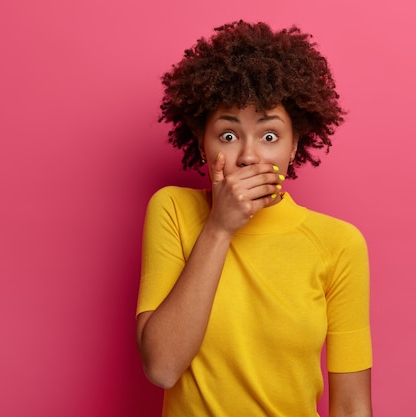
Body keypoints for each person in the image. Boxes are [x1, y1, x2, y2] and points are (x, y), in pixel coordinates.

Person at [136, 21, 372, 417]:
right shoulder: (173, 210)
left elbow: (351, 406)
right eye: (228, 135)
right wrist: (220, 227)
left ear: (295, 144)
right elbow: (161, 368)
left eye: (269, 136)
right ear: (201, 141)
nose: (248, 156)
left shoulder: (339, 243)